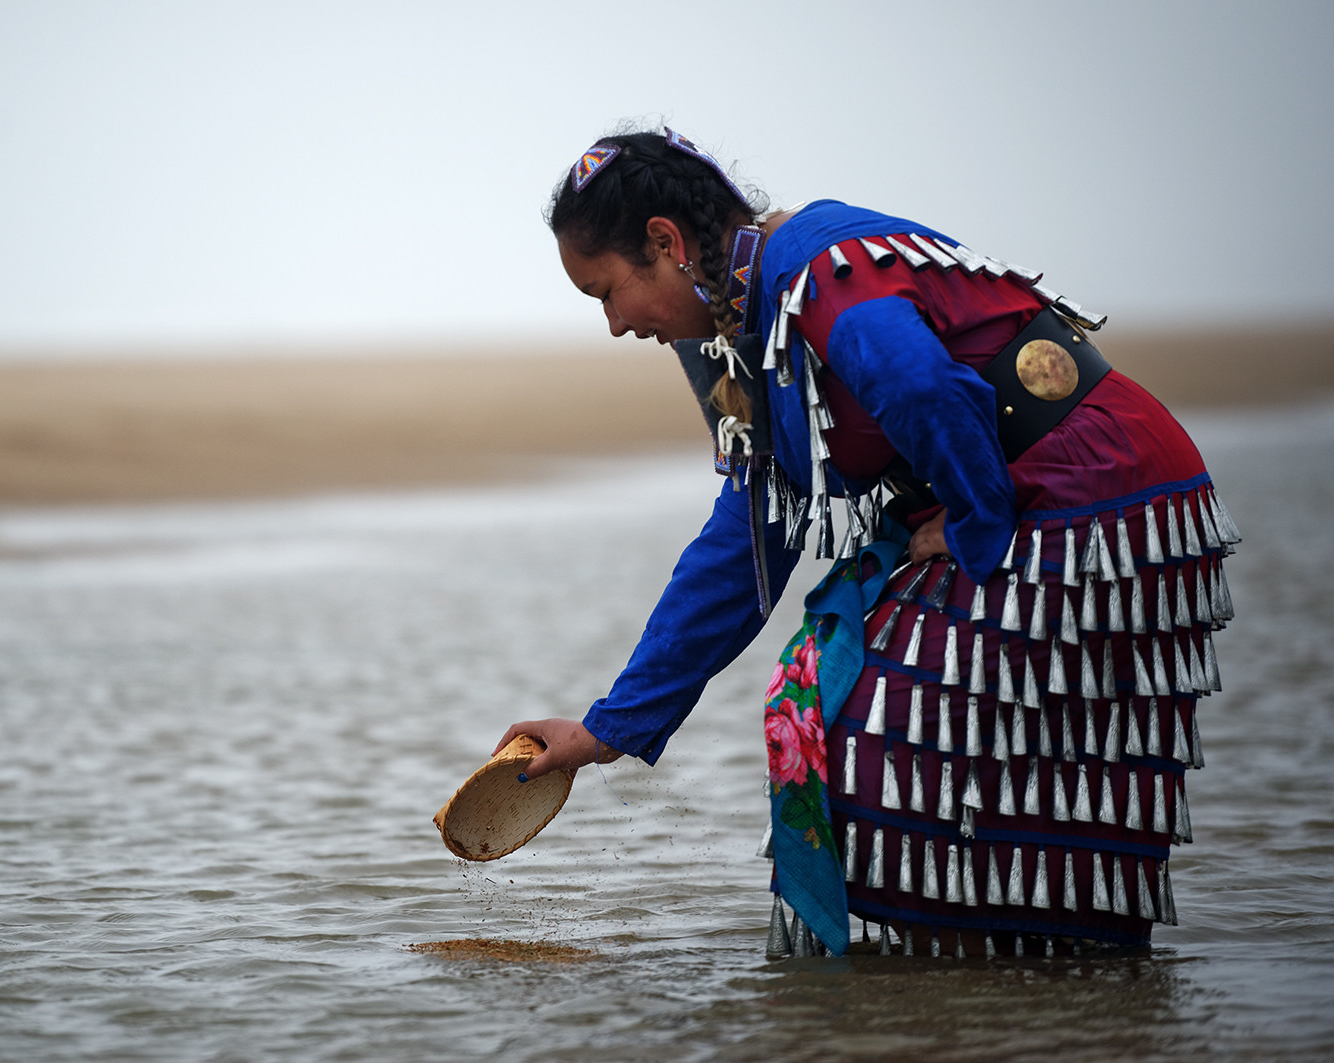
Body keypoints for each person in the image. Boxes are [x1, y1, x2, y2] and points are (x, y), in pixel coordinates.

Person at [495, 128, 1237, 958]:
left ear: (666, 245)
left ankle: (1012, 988)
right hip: (1048, 498)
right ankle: (1050, 986)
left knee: (840, 739)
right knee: (851, 735)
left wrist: (969, 523)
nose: (612, 324)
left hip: (1102, 492)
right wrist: (608, 729)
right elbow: (747, 537)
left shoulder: (816, 267)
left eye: (606, 292)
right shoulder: (735, 336)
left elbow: (922, 385)